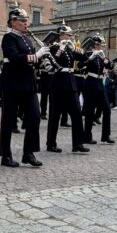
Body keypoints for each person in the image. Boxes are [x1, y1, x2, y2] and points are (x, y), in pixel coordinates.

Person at [0, 6, 44, 167]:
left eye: (27, 21)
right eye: (23, 21)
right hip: (12, 83)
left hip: (28, 83)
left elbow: (31, 61)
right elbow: (15, 58)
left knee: (34, 117)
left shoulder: (27, 39)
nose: (26, 23)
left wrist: (43, 59)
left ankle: (28, 153)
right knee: (8, 120)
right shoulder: (9, 37)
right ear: (13, 22)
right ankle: (6, 155)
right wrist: (36, 56)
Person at [46, 25, 89, 153]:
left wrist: (75, 48)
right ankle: (51, 143)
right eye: (69, 35)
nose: (71, 37)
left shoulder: (71, 49)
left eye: (71, 35)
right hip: (58, 83)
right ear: (61, 35)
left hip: (70, 83)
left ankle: (78, 144)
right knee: (55, 116)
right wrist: (62, 47)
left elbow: (84, 58)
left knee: (76, 114)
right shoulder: (53, 48)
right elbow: (55, 61)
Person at [83, 35, 114, 144]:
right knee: (89, 111)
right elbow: (81, 65)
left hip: (100, 83)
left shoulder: (102, 55)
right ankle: (87, 136)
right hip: (90, 82)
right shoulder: (87, 54)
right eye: (101, 44)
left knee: (107, 109)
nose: (103, 47)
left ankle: (106, 135)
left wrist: (105, 60)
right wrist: (91, 57)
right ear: (95, 44)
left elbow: (110, 66)